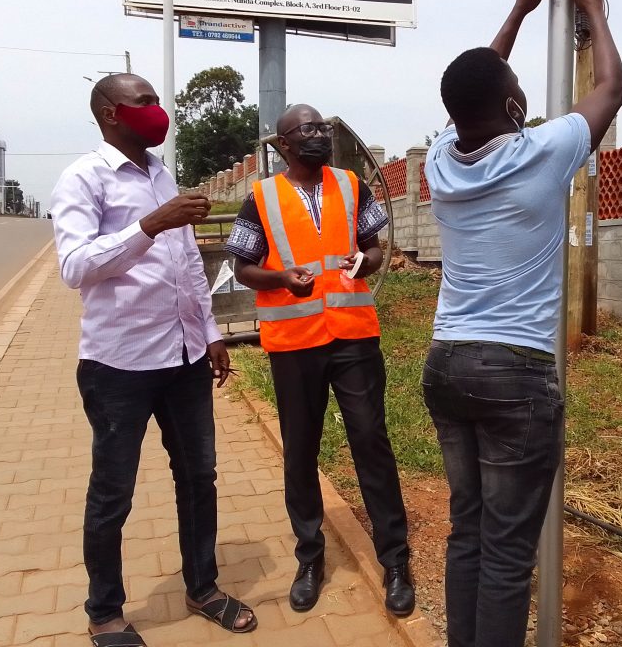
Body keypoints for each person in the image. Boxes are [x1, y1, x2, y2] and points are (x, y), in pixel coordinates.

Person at [422, 0, 622, 647]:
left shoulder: (439, 162)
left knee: (469, 530)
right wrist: (593, 6)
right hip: (514, 373)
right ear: (515, 105)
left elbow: (472, 88)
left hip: (446, 363)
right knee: (509, 551)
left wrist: (518, 11)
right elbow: (610, 90)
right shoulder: (542, 152)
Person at [51, 74, 255, 647]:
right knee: (113, 491)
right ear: (110, 113)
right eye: (144, 102)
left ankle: (203, 587)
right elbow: (75, 269)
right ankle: (105, 613)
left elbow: (188, 260)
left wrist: (211, 331)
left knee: (199, 477)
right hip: (119, 364)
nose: (156, 111)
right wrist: (149, 224)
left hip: (184, 356)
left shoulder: (160, 174)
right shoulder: (83, 179)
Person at [225, 104, 414, 616]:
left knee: (371, 443)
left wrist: (364, 260)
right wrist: (282, 278)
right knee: (300, 452)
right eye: (307, 130)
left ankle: (396, 561)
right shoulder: (260, 197)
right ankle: (310, 558)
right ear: (284, 142)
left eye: (322, 128)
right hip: (294, 343)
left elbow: (374, 248)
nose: (320, 135)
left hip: (353, 337)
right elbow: (242, 267)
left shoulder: (352, 185)